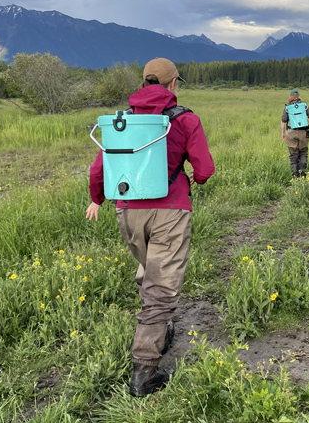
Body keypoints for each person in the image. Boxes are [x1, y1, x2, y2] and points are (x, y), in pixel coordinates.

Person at [85, 58, 215, 397]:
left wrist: (97, 199)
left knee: (149, 270)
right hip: (170, 211)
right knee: (160, 289)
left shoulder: (121, 122)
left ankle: (163, 327)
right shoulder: (185, 119)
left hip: (127, 212)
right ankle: (144, 372)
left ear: (144, 83)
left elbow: (98, 168)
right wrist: (192, 176)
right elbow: (205, 170)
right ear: (173, 85)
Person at [281, 88, 309, 177]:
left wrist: (283, 133)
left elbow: (283, 122)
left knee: (293, 154)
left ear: (290, 97)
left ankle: (295, 175)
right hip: (304, 132)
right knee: (303, 152)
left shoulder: (287, 107)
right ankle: (303, 172)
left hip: (291, 132)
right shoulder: (304, 105)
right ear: (298, 96)